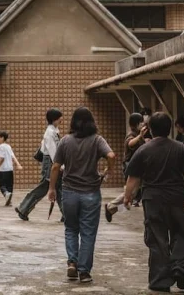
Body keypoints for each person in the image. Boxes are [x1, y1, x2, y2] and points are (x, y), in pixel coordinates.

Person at [124, 111, 184, 293]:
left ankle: (160, 281)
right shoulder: (180, 148)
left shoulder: (143, 150)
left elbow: (133, 178)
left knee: (157, 238)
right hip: (176, 197)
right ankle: (180, 268)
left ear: (150, 129)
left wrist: (127, 196)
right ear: (169, 128)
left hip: (153, 199)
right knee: (183, 232)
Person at [48, 106, 115, 285]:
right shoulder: (97, 140)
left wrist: (52, 188)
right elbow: (111, 155)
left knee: (71, 228)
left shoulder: (65, 141)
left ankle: (72, 262)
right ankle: (84, 272)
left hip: (69, 192)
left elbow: (55, 166)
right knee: (88, 233)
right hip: (91, 193)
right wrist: (107, 170)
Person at [15, 107, 63, 221]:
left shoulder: (53, 131)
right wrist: (59, 164)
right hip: (51, 162)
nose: (62, 119)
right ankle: (24, 208)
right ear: (54, 119)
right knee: (45, 186)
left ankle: (66, 214)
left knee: (59, 187)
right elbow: (52, 151)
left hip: (51, 161)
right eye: (60, 117)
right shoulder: (50, 133)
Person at [104, 111, 148, 222]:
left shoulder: (137, 134)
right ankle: (110, 206)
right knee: (130, 194)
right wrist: (140, 136)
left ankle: (112, 209)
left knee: (131, 196)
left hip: (138, 167)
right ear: (136, 123)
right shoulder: (132, 134)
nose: (143, 124)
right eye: (141, 122)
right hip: (133, 167)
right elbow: (130, 143)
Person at [0, 130, 23, 205]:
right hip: (10, 169)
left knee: (1, 185)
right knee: (9, 186)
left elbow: (2, 158)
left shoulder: (1, 147)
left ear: (2, 138)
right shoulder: (8, 146)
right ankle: (9, 201)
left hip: (3, 169)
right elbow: (13, 156)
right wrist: (18, 164)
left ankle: (7, 195)